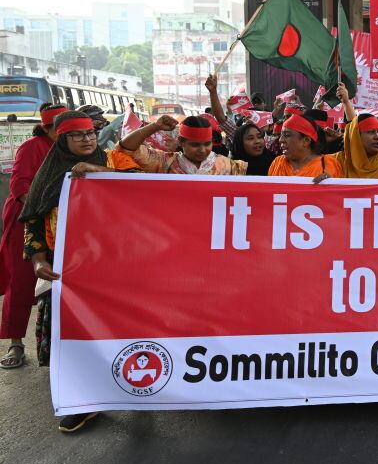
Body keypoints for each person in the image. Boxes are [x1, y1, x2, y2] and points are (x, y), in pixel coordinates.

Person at [19, 110, 138, 433]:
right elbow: (34, 222)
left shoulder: (112, 163)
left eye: (89, 133)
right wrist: (39, 261)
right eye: (78, 135)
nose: (86, 139)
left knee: (117, 332)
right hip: (66, 271)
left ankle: (136, 388)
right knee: (74, 338)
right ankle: (85, 400)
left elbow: (143, 189)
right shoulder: (49, 176)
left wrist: (98, 172)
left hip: (111, 268)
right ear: (62, 140)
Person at [0, 104, 66, 370]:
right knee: (22, 280)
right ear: (48, 128)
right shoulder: (31, 147)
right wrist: (40, 211)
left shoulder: (69, 149)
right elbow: (19, 184)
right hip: (27, 218)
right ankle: (15, 342)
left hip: (63, 219)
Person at [119, 115, 247, 175]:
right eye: (195, 145)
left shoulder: (229, 166)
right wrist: (155, 126)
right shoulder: (164, 161)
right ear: (181, 141)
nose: (202, 150)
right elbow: (126, 147)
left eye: (207, 144)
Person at [268, 113, 343, 179]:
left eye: (287, 135)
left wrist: (330, 183)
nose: (280, 140)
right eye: (281, 135)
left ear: (306, 141)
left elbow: (336, 193)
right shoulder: (278, 162)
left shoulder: (327, 164)